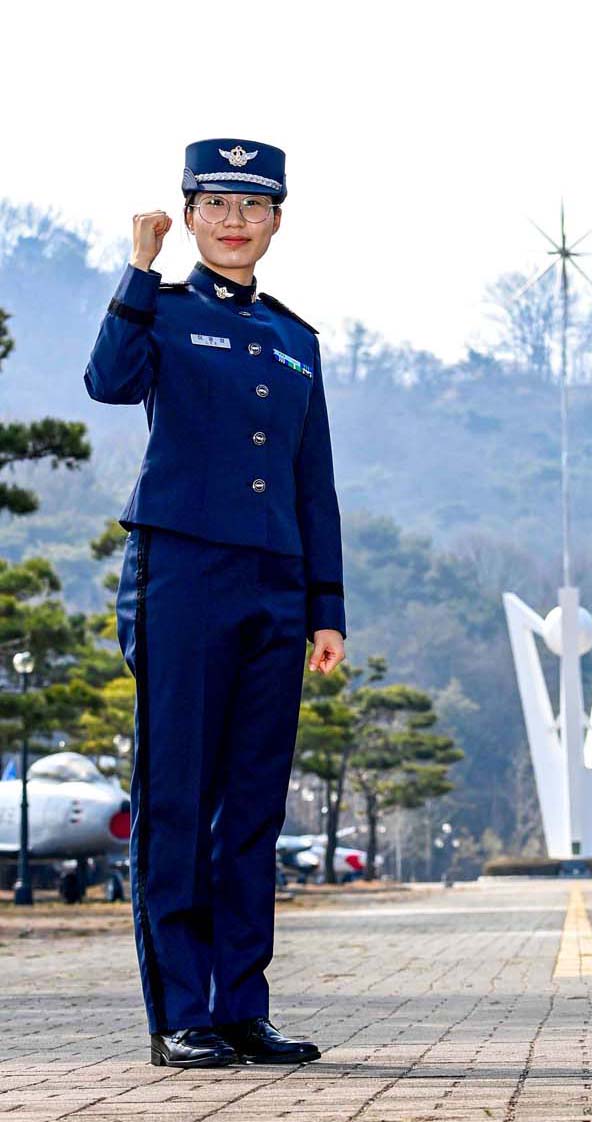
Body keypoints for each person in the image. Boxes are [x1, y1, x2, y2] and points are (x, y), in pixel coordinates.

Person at [85, 138, 346, 1068]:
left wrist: (327, 609)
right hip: (183, 574)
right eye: (218, 205)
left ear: (278, 220)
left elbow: (312, 483)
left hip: (275, 587)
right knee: (179, 799)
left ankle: (241, 1007)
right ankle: (180, 1016)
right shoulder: (158, 306)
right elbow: (109, 384)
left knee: (253, 809)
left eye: (255, 207)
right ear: (188, 213)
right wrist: (138, 268)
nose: (236, 222)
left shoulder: (294, 338)